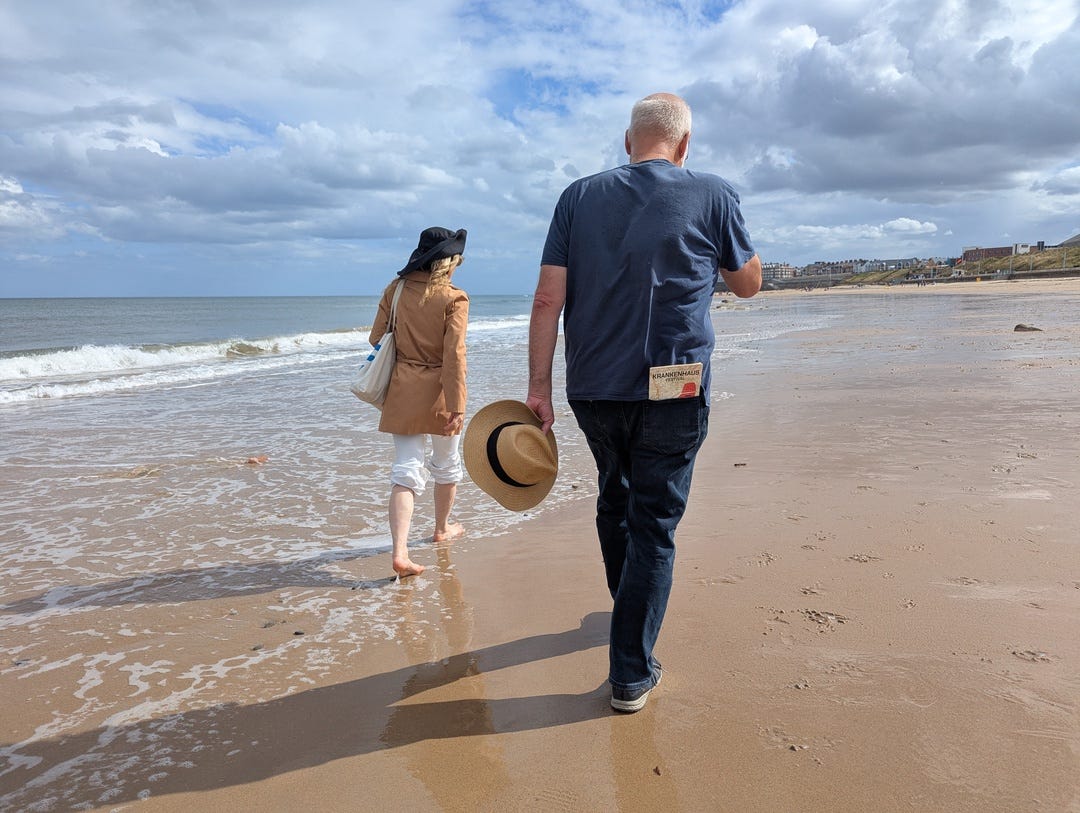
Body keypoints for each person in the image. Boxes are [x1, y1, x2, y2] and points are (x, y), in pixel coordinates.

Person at [526, 93, 762, 712]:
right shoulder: (713, 193)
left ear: (629, 142)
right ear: (684, 146)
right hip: (675, 384)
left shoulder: (577, 196)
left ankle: (626, 605)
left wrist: (537, 390)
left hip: (593, 386)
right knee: (653, 522)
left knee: (615, 495)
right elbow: (749, 284)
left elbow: (547, 300)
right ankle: (630, 672)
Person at [370, 227, 470, 578]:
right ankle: (441, 529)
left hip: (402, 389)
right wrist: (458, 405)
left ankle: (400, 552)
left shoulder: (395, 290)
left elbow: (375, 338)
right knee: (446, 464)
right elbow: (454, 356)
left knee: (406, 471)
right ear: (449, 261)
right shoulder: (453, 298)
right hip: (442, 391)